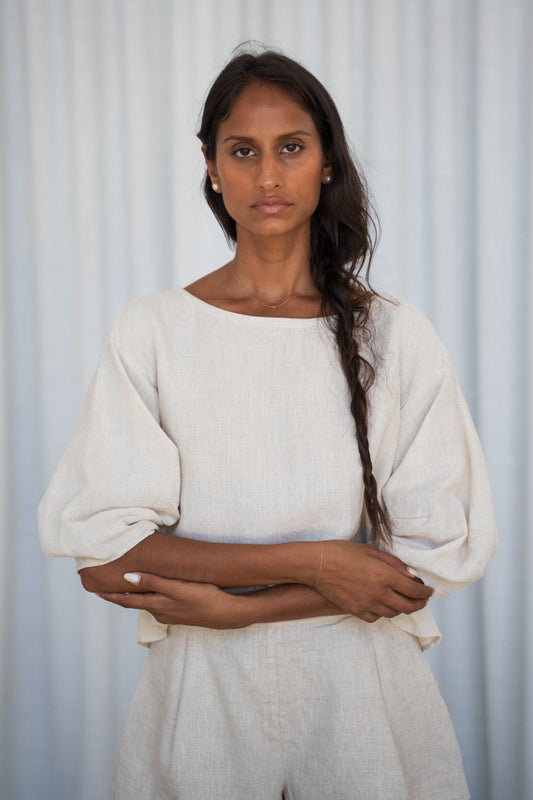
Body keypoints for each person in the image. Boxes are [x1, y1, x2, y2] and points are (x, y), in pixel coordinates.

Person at [38, 48, 498, 800]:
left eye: (291, 147)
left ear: (326, 163)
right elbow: (101, 555)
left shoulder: (393, 335)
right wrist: (322, 564)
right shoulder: (154, 330)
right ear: (211, 167)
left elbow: (431, 558)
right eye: (242, 151)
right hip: (199, 699)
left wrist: (232, 609)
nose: (267, 174)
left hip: (364, 695)